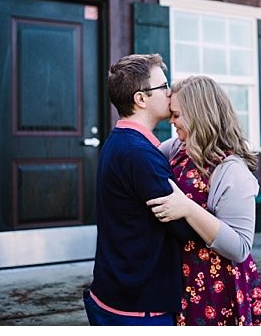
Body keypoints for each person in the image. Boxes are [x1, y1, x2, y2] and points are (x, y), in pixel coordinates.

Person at [146, 75, 261, 325]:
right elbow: (144, 157)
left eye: (177, 115)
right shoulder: (178, 149)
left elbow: (239, 248)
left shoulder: (231, 170)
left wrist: (188, 209)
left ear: (199, 115)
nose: (171, 121)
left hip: (216, 289)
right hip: (180, 280)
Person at [85, 54, 198, 326]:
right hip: (138, 308)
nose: (170, 92)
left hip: (114, 293)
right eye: (164, 86)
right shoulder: (139, 154)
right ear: (141, 99)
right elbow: (184, 227)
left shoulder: (120, 141)